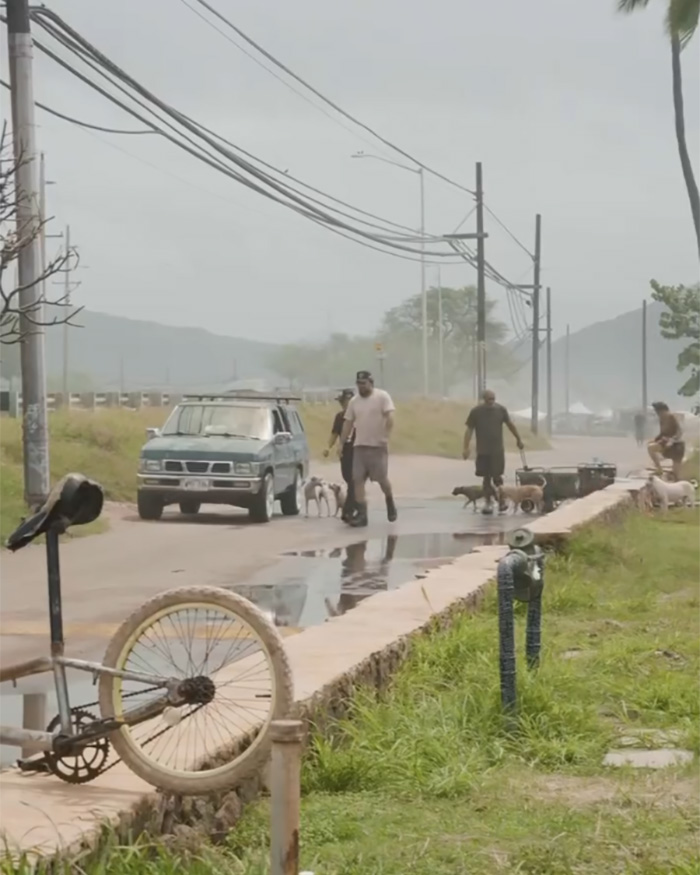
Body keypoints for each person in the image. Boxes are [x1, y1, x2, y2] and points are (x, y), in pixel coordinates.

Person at [338, 370, 396, 528]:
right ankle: (363, 515)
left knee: (381, 479)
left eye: (363, 383)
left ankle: (389, 500)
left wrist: (385, 435)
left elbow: (390, 418)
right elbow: (348, 423)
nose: (361, 387)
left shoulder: (382, 397)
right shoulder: (354, 402)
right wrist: (342, 443)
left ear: (371, 383)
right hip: (360, 446)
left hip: (378, 446)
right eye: (358, 384)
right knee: (357, 480)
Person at [462, 389, 524, 514]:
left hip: (497, 450)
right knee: (486, 478)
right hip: (483, 450)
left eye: (493, 399)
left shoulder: (500, 410)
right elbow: (469, 430)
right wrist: (465, 447)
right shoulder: (476, 412)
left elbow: (510, 424)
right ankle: (488, 502)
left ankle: (501, 501)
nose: (491, 401)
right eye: (489, 399)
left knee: (497, 477)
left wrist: (518, 439)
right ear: (484, 399)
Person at [323, 388, 357, 522]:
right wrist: (328, 447)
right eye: (343, 402)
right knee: (349, 479)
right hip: (345, 452)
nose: (344, 404)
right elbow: (334, 434)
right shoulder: (339, 417)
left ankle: (349, 510)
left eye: (347, 401)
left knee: (355, 481)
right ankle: (352, 507)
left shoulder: (361, 416)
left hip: (359, 450)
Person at [647, 401, 685, 480]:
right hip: (665, 443)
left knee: (676, 473)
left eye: (659, 411)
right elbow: (662, 433)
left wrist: (672, 440)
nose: (658, 414)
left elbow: (679, 432)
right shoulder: (661, 419)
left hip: (677, 445)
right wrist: (655, 439)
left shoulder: (671, 417)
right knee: (651, 447)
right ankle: (659, 469)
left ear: (663, 410)